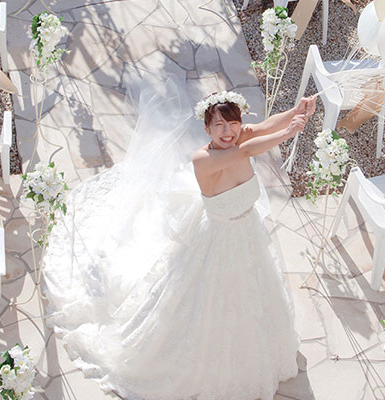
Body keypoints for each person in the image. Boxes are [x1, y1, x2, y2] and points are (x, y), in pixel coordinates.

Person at [42, 79, 317, 399]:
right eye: (219, 125)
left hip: (248, 233)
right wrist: (286, 135)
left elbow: (262, 128)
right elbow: (246, 150)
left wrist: (295, 112)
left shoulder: (240, 137)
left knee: (252, 293)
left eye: (233, 124)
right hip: (218, 239)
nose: (227, 131)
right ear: (207, 128)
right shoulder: (204, 159)